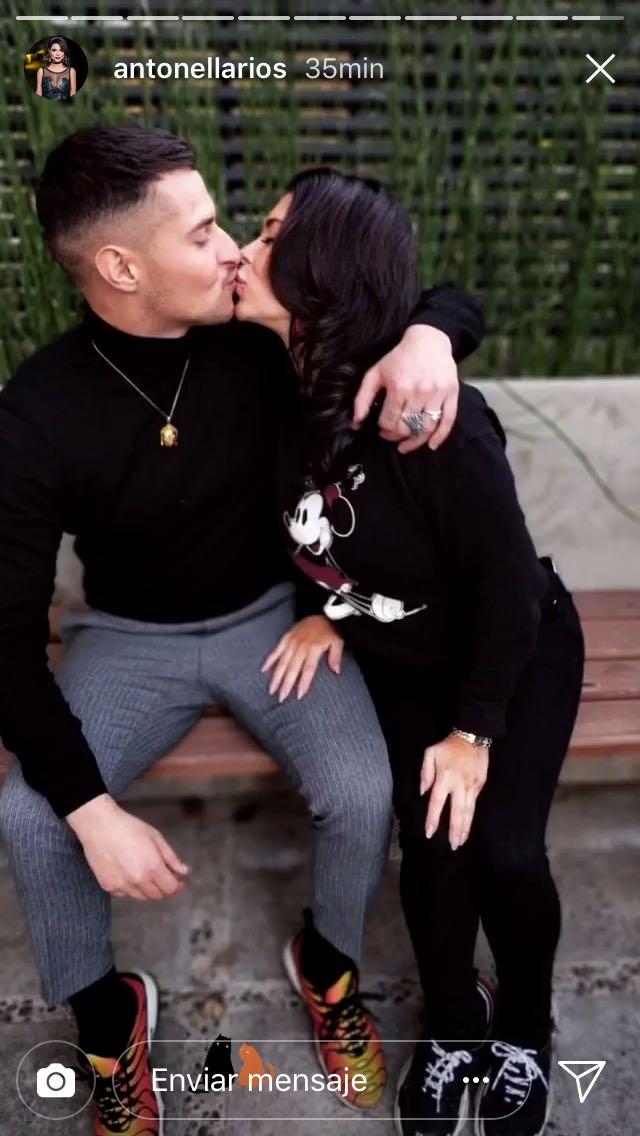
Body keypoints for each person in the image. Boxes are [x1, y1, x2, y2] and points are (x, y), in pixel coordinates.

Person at [0, 125, 483, 1135]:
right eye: (203, 232)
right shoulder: (37, 410)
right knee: (33, 818)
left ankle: (328, 964)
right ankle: (110, 1020)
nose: (232, 251)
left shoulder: (257, 330)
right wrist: (92, 808)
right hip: (126, 636)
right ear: (121, 267)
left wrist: (431, 336)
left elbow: (417, 290)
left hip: (275, 621)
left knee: (361, 789)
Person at [235, 168, 585, 1136]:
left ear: (321, 273)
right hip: (401, 654)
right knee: (432, 856)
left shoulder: (426, 419)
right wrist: (330, 608)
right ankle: (455, 1022)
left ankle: (524, 1024)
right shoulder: (277, 378)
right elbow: (325, 534)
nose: (244, 251)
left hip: (509, 649)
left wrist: (473, 733)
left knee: (503, 849)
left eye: (270, 237)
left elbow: (507, 591)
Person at [36, 37, 76, 101]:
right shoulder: (41, 71)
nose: (58, 54)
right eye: (54, 50)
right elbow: (38, 92)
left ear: (64, 52)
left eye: (61, 50)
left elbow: (73, 93)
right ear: (49, 51)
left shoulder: (71, 71)